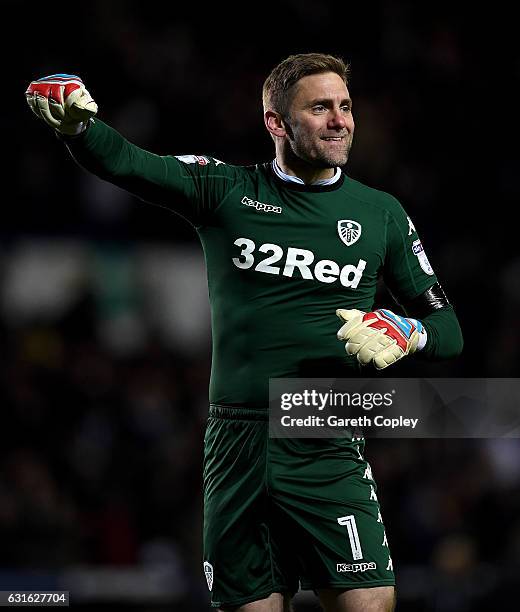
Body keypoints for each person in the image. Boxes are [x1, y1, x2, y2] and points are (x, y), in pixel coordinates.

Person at [25, 54, 463, 612]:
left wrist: (409, 333)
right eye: (320, 107)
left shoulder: (381, 214)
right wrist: (80, 128)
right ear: (276, 123)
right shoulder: (226, 190)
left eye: (346, 107)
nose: (340, 121)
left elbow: (447, 329)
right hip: (236, 441)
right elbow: (132, 164)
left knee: (372, 602)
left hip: (323, 433)